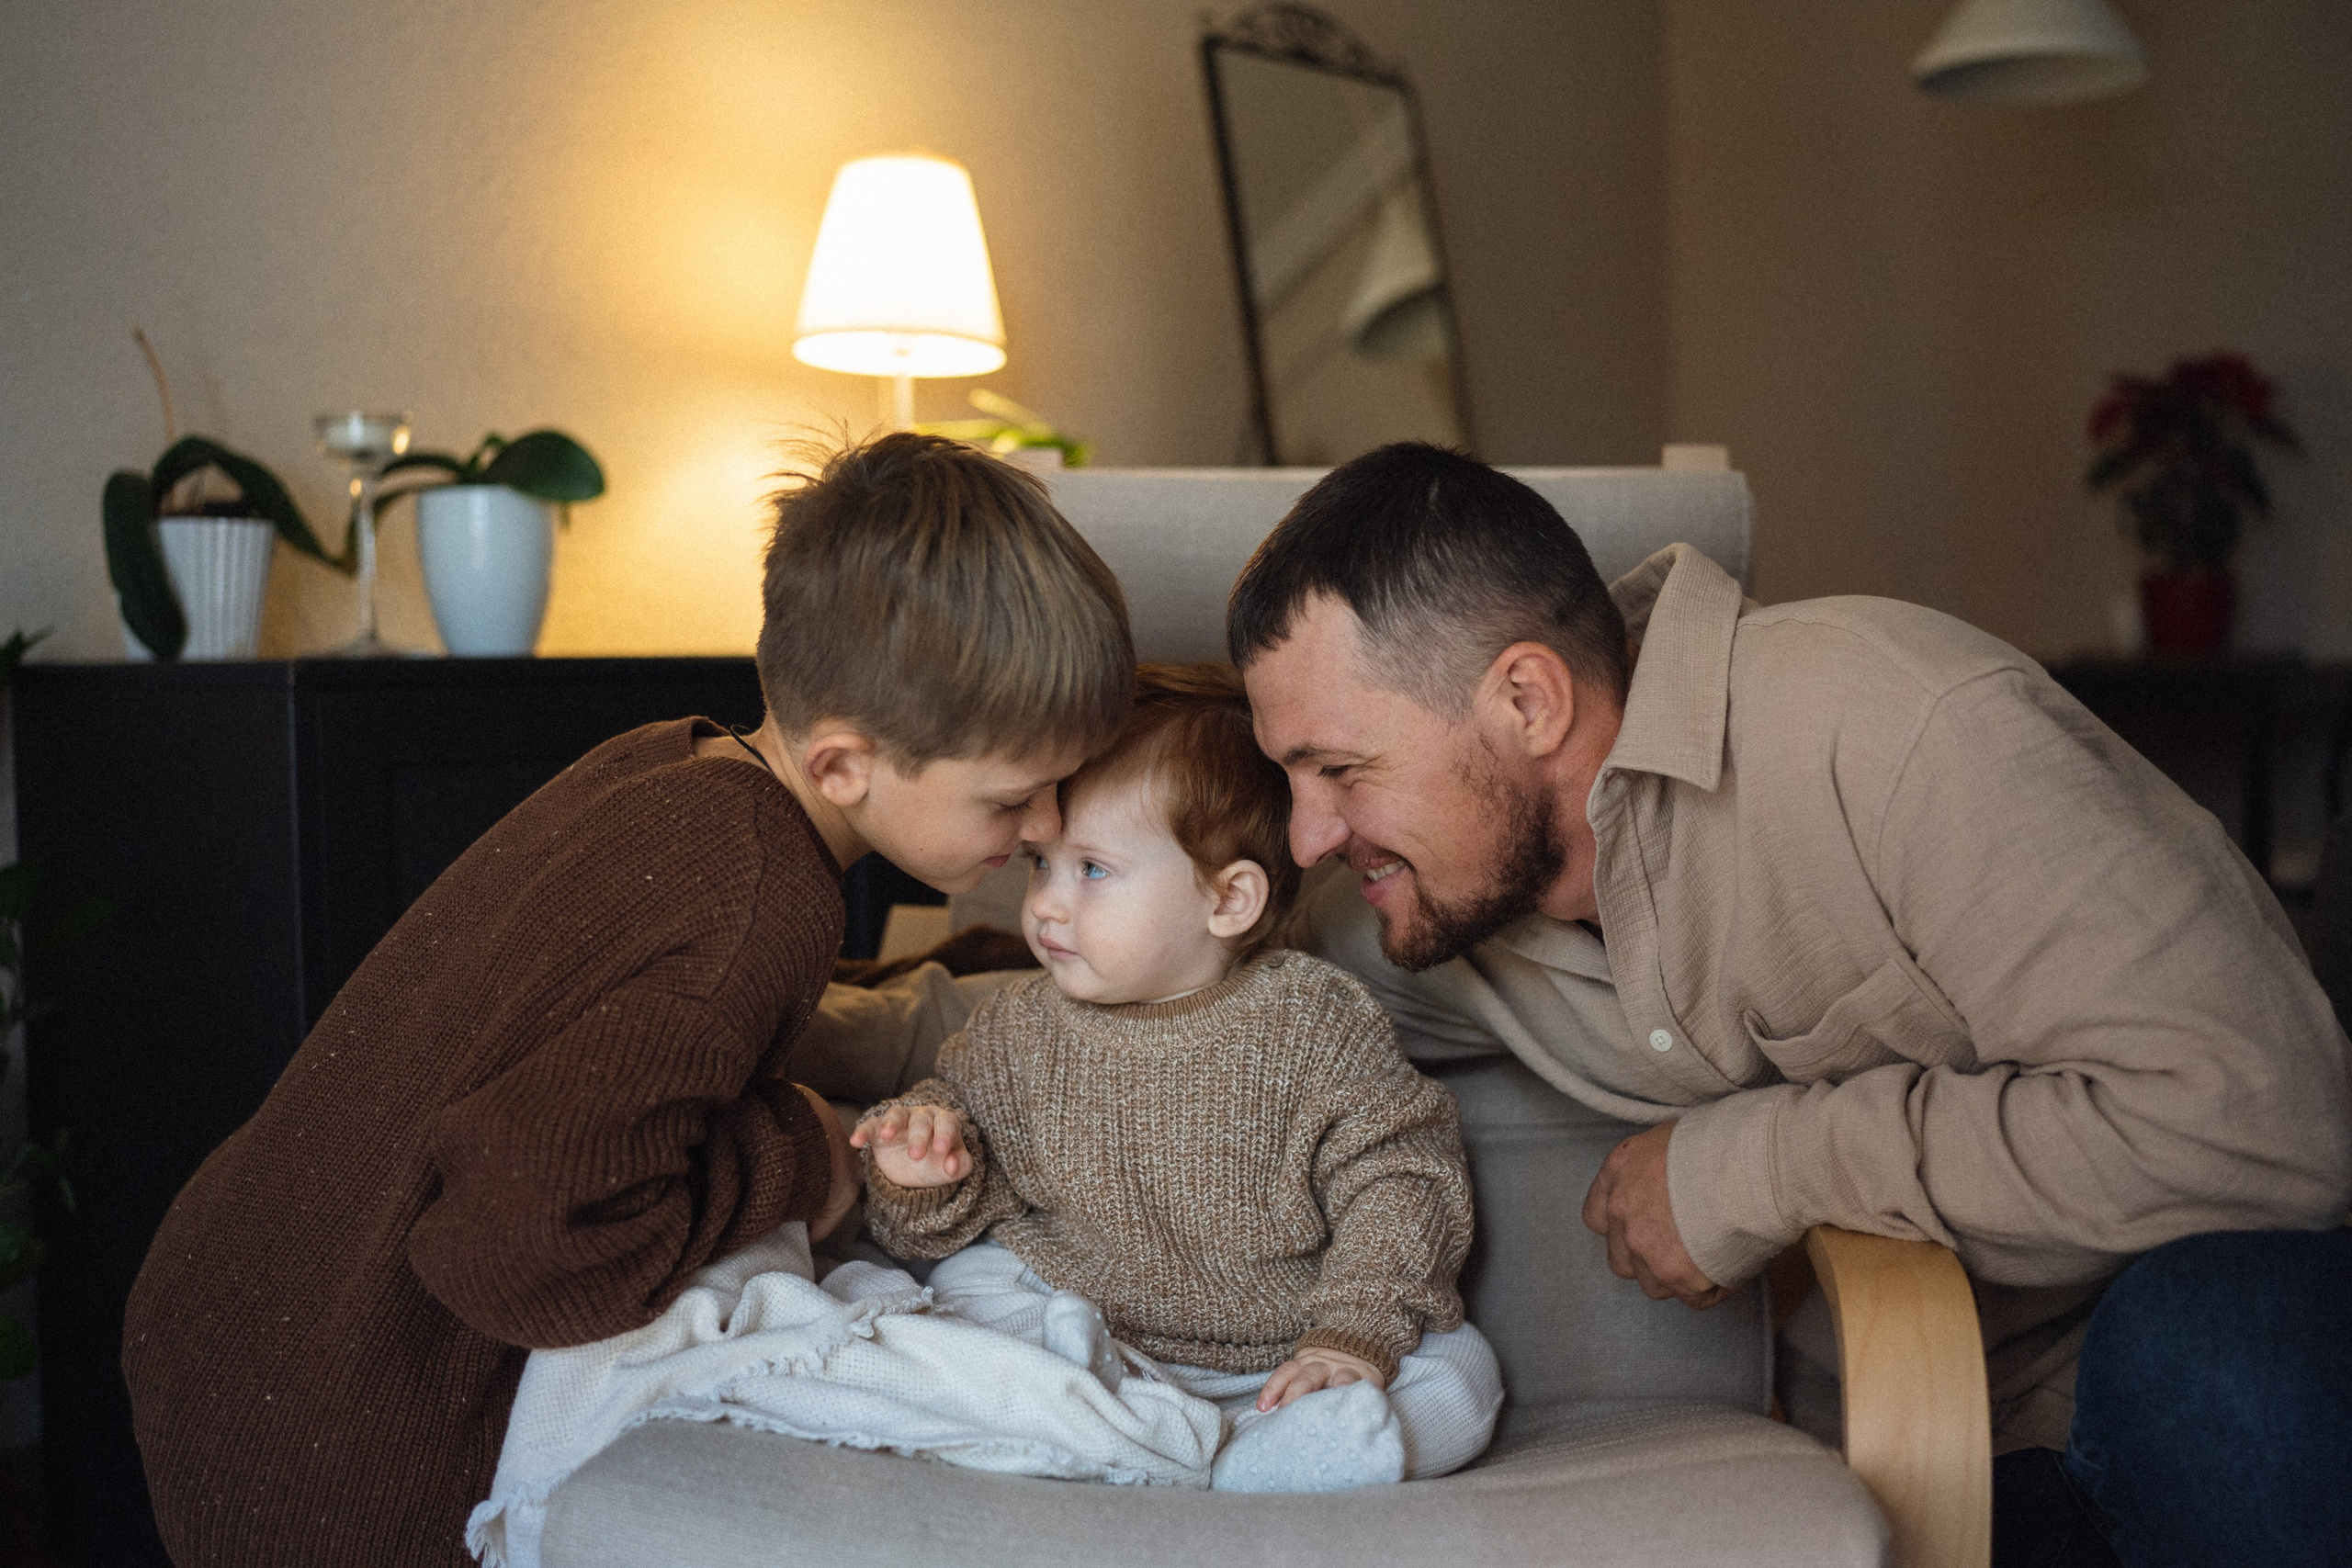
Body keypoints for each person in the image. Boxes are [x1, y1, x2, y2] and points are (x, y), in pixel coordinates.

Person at [1228, 443, 2352, 1566]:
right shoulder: (1417, 912)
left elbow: (2264, 1123)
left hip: (2183, 1390)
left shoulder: (1896, 726)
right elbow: (1193, 990)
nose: (1307, 837)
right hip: (1919, 1448)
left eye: (1341, 770)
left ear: (1528, 700)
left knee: (2219, 1346)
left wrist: (1760, 1166)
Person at [119, 433, 1136, 1568]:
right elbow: (526, 1243)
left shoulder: (671, 765)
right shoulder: (766, 901)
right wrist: (799, 1155)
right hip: (342, 1432)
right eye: (1014, 798)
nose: (1048, 824)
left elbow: (635, 1016)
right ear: (844, 765)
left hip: (225, 1300)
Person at [852, 664, 1502, 1493]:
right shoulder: (1018, 1028)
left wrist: (1351, 1335)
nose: (1046, 904)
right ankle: (1108, 1409)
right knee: (963, 1282)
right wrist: (922, 1164)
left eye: (1092, 869)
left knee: (1461, 1373)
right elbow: (958, 1189)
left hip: (1282, 1355)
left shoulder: (1313, 1022)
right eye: (1041, 864)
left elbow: (1402, 1179)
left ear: (1228, 900)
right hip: (1084, 1322)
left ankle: (1276, 1449)